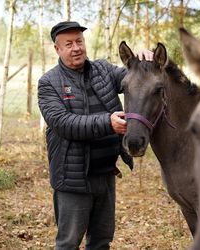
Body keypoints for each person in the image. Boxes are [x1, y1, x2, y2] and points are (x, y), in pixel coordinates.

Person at [38, 21, 153, 250]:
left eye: (79, 41)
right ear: (57, 49)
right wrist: (107, 123)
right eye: (68, 43)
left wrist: (142, 60)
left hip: (105, 175)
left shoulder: (103, 70)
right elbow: (64, 124)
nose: (76, 48)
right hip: (73, 180)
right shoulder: (48, 83)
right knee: (68, 243)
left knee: (101, 242)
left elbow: (134, 78)